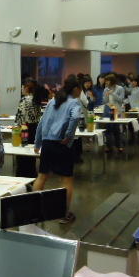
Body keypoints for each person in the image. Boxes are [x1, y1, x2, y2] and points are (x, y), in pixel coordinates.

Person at [33, 78, 82, 224]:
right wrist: (68, 136)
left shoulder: (52, 101)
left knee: (42, 177)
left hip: (47, 144)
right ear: (75, 89)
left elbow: (41, 122)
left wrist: (38, 142)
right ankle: (63, 214)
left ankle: (35, 210)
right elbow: (75, 117)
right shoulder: (74, 102)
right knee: (66, 180)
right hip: (61, 145)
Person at [15, 79, 44, 177]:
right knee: (31, 155)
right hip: (34, 129)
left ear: (26, 88)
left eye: (22, 87)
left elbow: (20, 118)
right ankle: (31, 175)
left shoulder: (24, 100)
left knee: (22, 154)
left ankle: (22, 176)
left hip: (24, 129)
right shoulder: (36, 99)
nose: (21, 89)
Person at [103, 74, 125, 153]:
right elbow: (105, 101)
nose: (106, 82)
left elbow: (121, 100)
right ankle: (108, 146)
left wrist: (112, 93)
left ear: (112, 81)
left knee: (116, 129)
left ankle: (119, 146)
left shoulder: (120, 88)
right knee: (107, 129)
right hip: (107, 110)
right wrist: (106, 95)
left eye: (107, 81)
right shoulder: (106, 89)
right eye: (106, 81)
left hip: (117, 110)